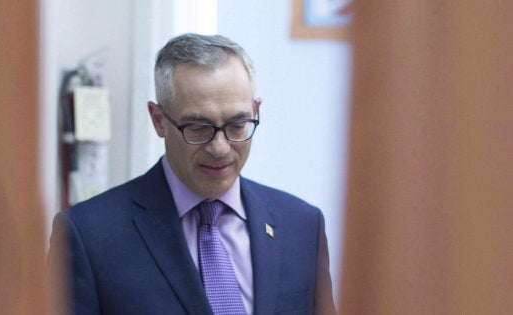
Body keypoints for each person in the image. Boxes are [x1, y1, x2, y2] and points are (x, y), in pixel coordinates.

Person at [49, 33, 337, 315]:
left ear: (255, 110)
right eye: (198, 128)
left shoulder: (302, 225)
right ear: (159, 120)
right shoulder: (89, 235)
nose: (220, 148)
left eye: (237, 125)